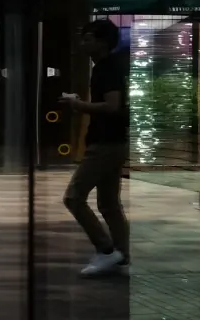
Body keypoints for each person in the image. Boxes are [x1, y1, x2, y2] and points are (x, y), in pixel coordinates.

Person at [60, 19, 130, 278]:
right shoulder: (107, 66)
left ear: (102, 42)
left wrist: (78, 105)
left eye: (88, 38)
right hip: (114, 142)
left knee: (74, 197)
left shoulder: (107, 68)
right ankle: (122, 255)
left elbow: (112, 106)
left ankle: (106, 249)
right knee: (109, 203)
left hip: (105, 144)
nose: (83, 43)